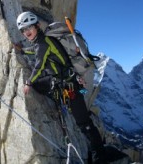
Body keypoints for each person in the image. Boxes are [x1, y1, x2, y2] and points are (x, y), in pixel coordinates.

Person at [16, 11, 106, 164]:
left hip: (71, 87)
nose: (26, 32)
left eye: (29, 27)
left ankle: (99, 154)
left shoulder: (44, 43)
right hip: (63, 83)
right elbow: (37, 52)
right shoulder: (42, 42)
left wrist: (28, 82)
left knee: (83, 122)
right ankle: (74, 100)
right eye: (23, 30)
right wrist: (23, 50)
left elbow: (38, 66)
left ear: (37, 26)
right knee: (45, 86)